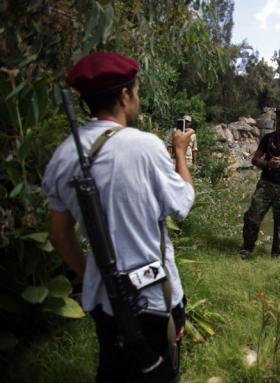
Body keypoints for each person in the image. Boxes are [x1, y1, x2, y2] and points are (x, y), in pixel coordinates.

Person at [42, 52, 195, 382]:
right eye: (136, 91)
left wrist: (96, 275)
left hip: (105, 301)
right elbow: (183, 203)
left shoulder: (64, 154)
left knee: (113, 370)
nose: (136, 97)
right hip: (156, 299)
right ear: (125, 95)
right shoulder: (145, 146)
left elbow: (59, 233)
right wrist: (180, 153)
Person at [240, 104, 280, 259]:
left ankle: (277, 254)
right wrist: (267, 164)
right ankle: (247, 248)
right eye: (279, 116)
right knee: (252, 217)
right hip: (266, 185)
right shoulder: (268, 138)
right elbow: (255, 159)